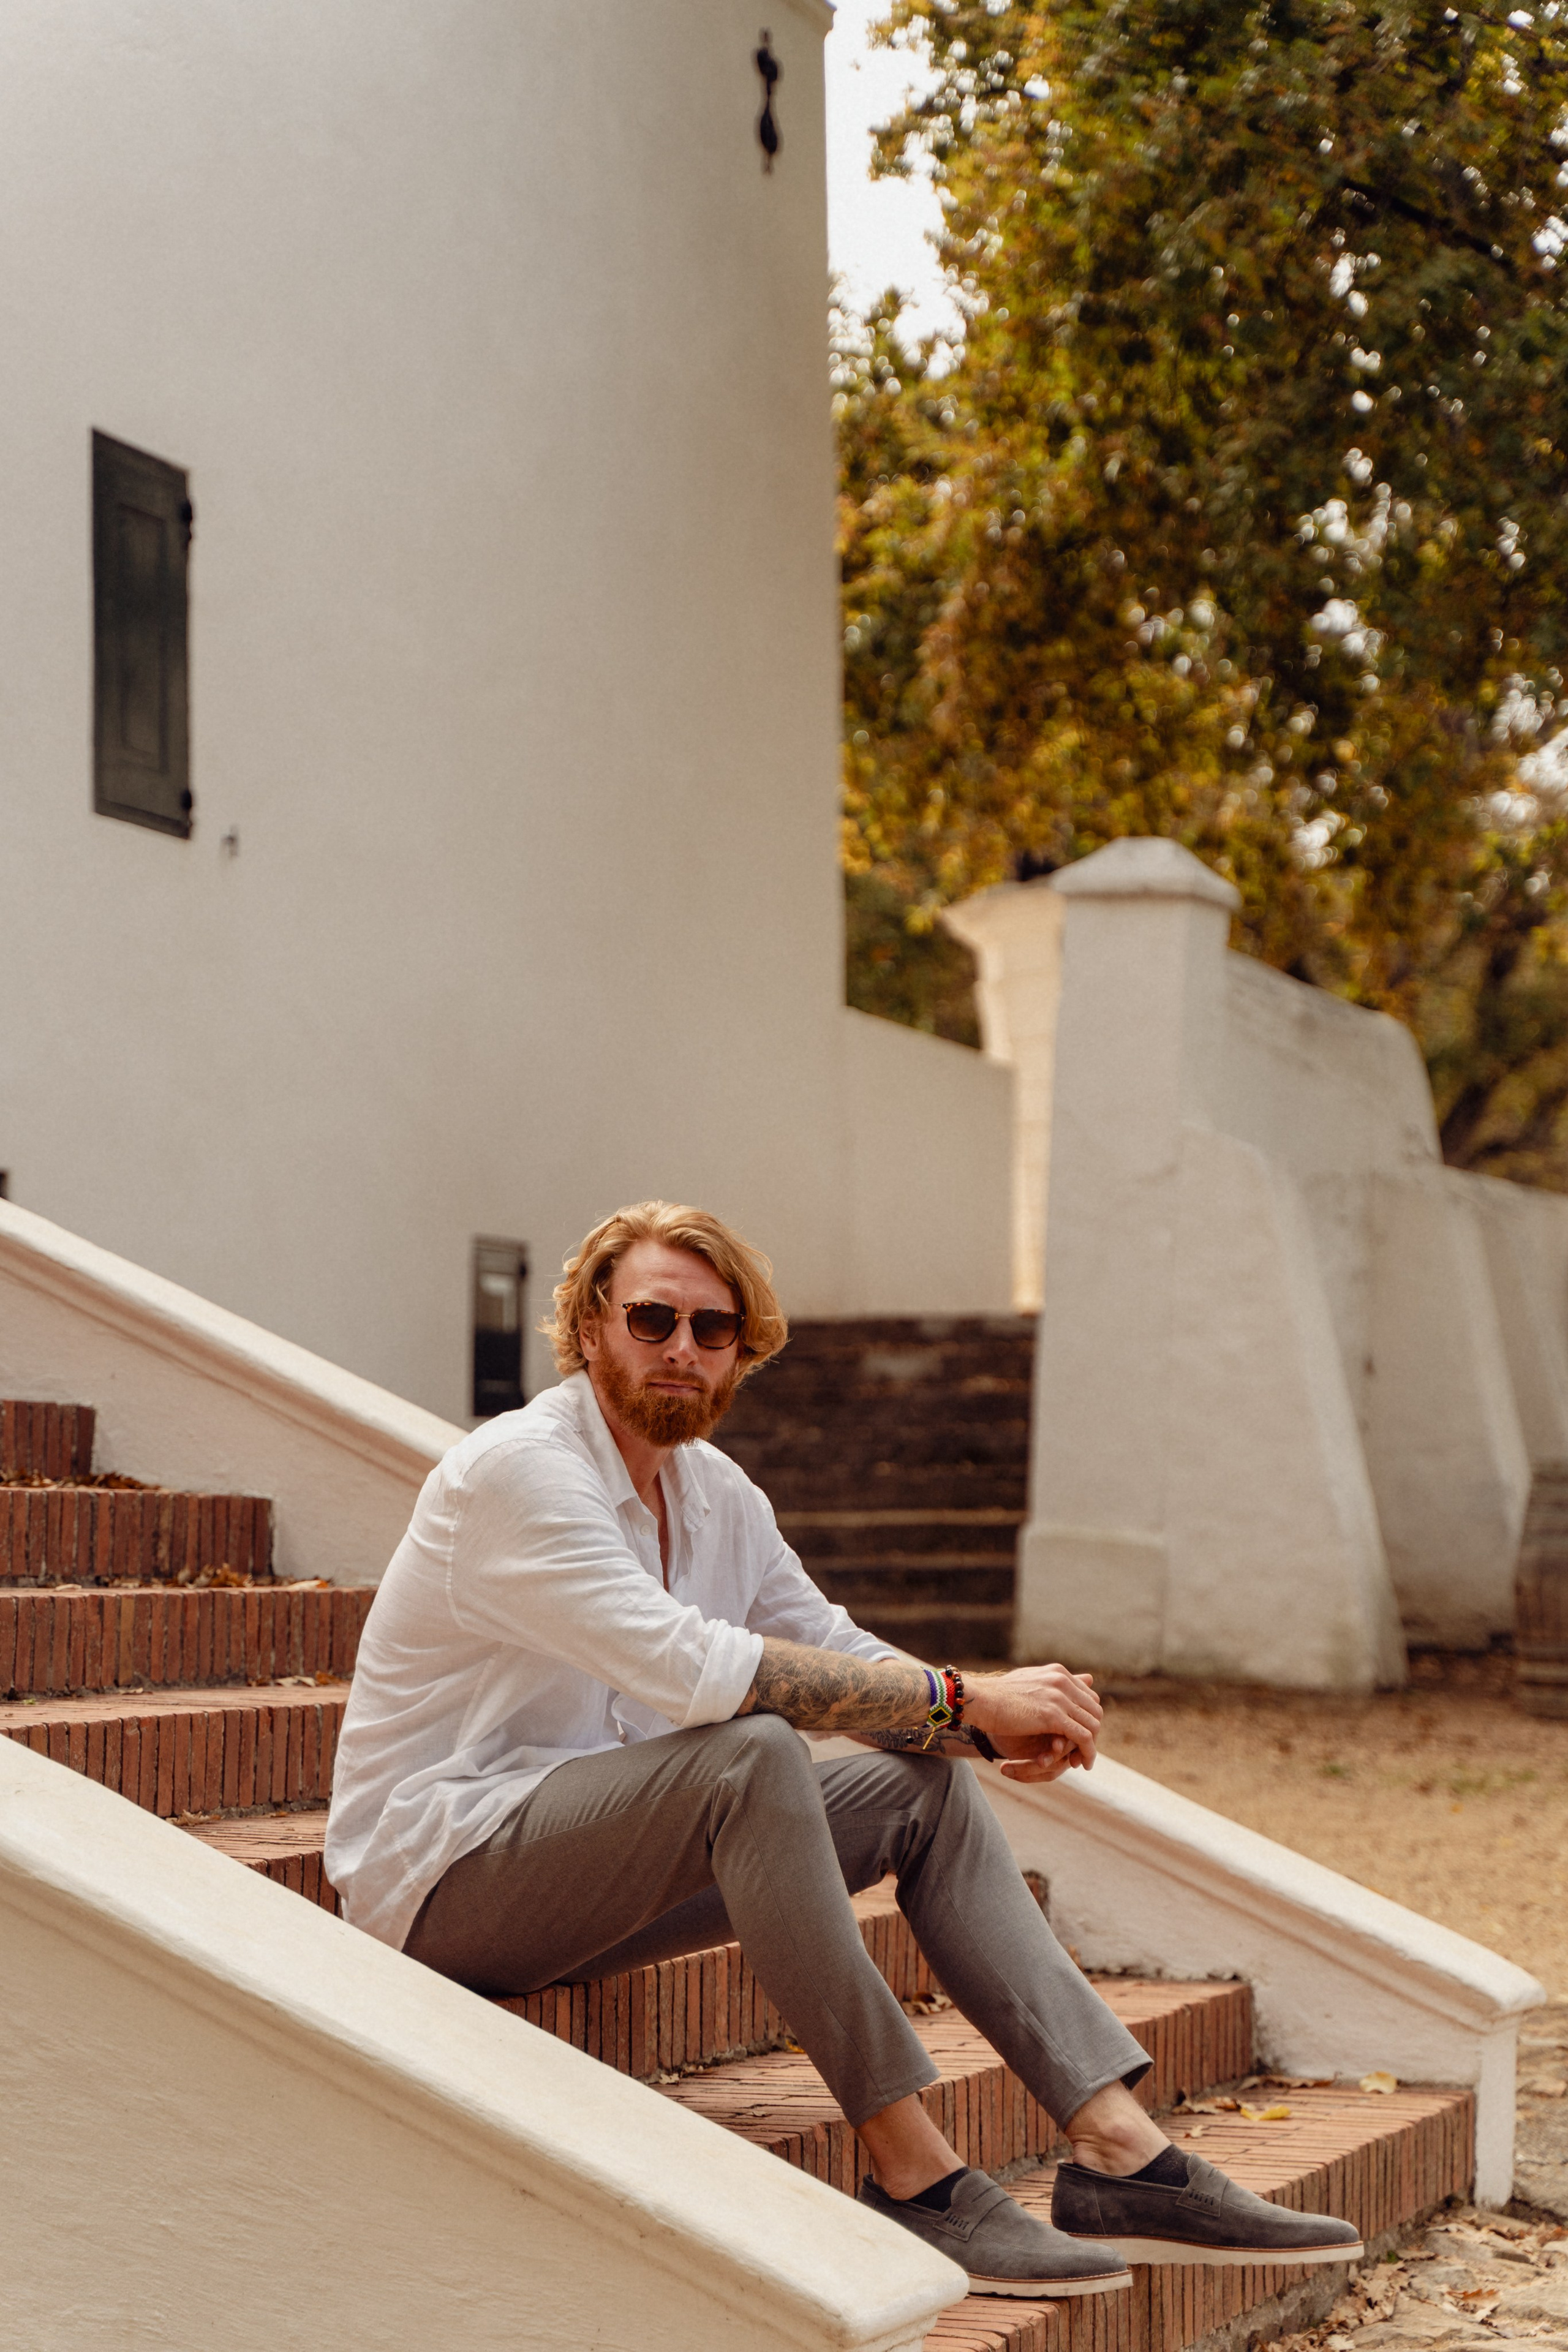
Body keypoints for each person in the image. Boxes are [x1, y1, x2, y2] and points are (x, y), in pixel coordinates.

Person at [326, 1200, 1363, 2297]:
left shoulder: (716, 1495)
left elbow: (839, 1655)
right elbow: (699, 1670)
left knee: (917, 1786)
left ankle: (1124, 2155)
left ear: (741, 1354)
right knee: (752, 1752)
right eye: (651, 1318)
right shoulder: (522, 1472)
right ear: (591, 1329)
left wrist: (982, 1726)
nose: (682, 1349)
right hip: (444, 1881)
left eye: (712, 1329)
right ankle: (916, 2183)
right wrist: (971, 1693)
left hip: (592, 1878)